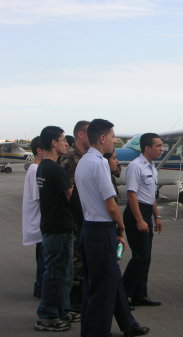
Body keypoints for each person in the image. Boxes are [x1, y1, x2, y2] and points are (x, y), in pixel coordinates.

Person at [75, 119, 149, 337]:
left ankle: (128, 324)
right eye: (112, 136)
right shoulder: (99, 163)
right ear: (102, 138)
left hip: (89, 229)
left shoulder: (83, 162)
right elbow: (111, 203)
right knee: (102, 291)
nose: (114, 140)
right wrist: (121, 227)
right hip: (101, 231)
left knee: (107, 281)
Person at [35, 126, 79, 332]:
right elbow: (71, 197)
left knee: (65, 272)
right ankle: (47, 316)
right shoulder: (55, 169)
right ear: (53, 142)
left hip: (54, 227)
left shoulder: (43, 167)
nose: (66, 143)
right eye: (63, 140)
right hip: (58, 228)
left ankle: (62, 308)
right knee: (55, 274)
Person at [122, 133, 163, 307]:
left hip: (147, 212)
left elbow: (152, 195)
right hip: (135, 213)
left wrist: (157, 216)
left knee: (146, 257)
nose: (162, 149)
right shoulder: (135, 166)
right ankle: (122, 294)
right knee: (141, 257)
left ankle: (140, 294)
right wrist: (139, 220)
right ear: (147, 148)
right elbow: (131, 194)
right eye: (158, 146)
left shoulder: (152, 167)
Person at [60, 120, 90, 310]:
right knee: (76, 263)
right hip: (75, 220)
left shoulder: (87, 157)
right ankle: (74, 302)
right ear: (80, 135)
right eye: (90, 133)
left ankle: (81, 299)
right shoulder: (70, 158)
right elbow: (70, 192)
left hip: (85, 218)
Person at [22, 136, 44, 299]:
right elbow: (40, 197)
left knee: (42, 259)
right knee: (44, 261)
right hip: (40, 223)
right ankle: (41, 289)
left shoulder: (33, 169)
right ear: (39, 150)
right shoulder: (36, 170)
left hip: (38, 223)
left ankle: (40, 287)